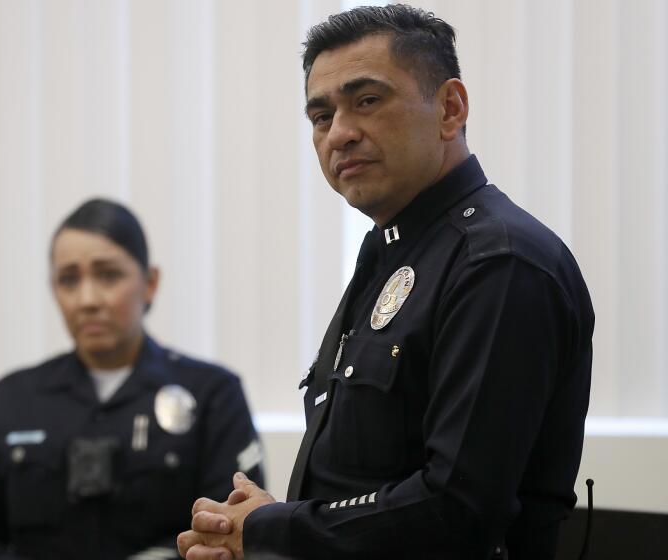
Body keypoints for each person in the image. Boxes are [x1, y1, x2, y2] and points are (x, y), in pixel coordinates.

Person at [178, 4, 593, 560]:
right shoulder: (390, 253)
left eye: (367, 101)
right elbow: (366, 485)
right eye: (321, 117)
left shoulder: (499, 262)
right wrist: (262, 528)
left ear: (450, 108)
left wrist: (275, 528)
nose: (340, 134)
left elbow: (457, 510)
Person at [0, 198, 264, 560]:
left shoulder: (212, 396)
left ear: (150, 283)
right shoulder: (10, 402)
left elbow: (234, 532)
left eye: (108, 275)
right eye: (69, 280)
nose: (88, 299)